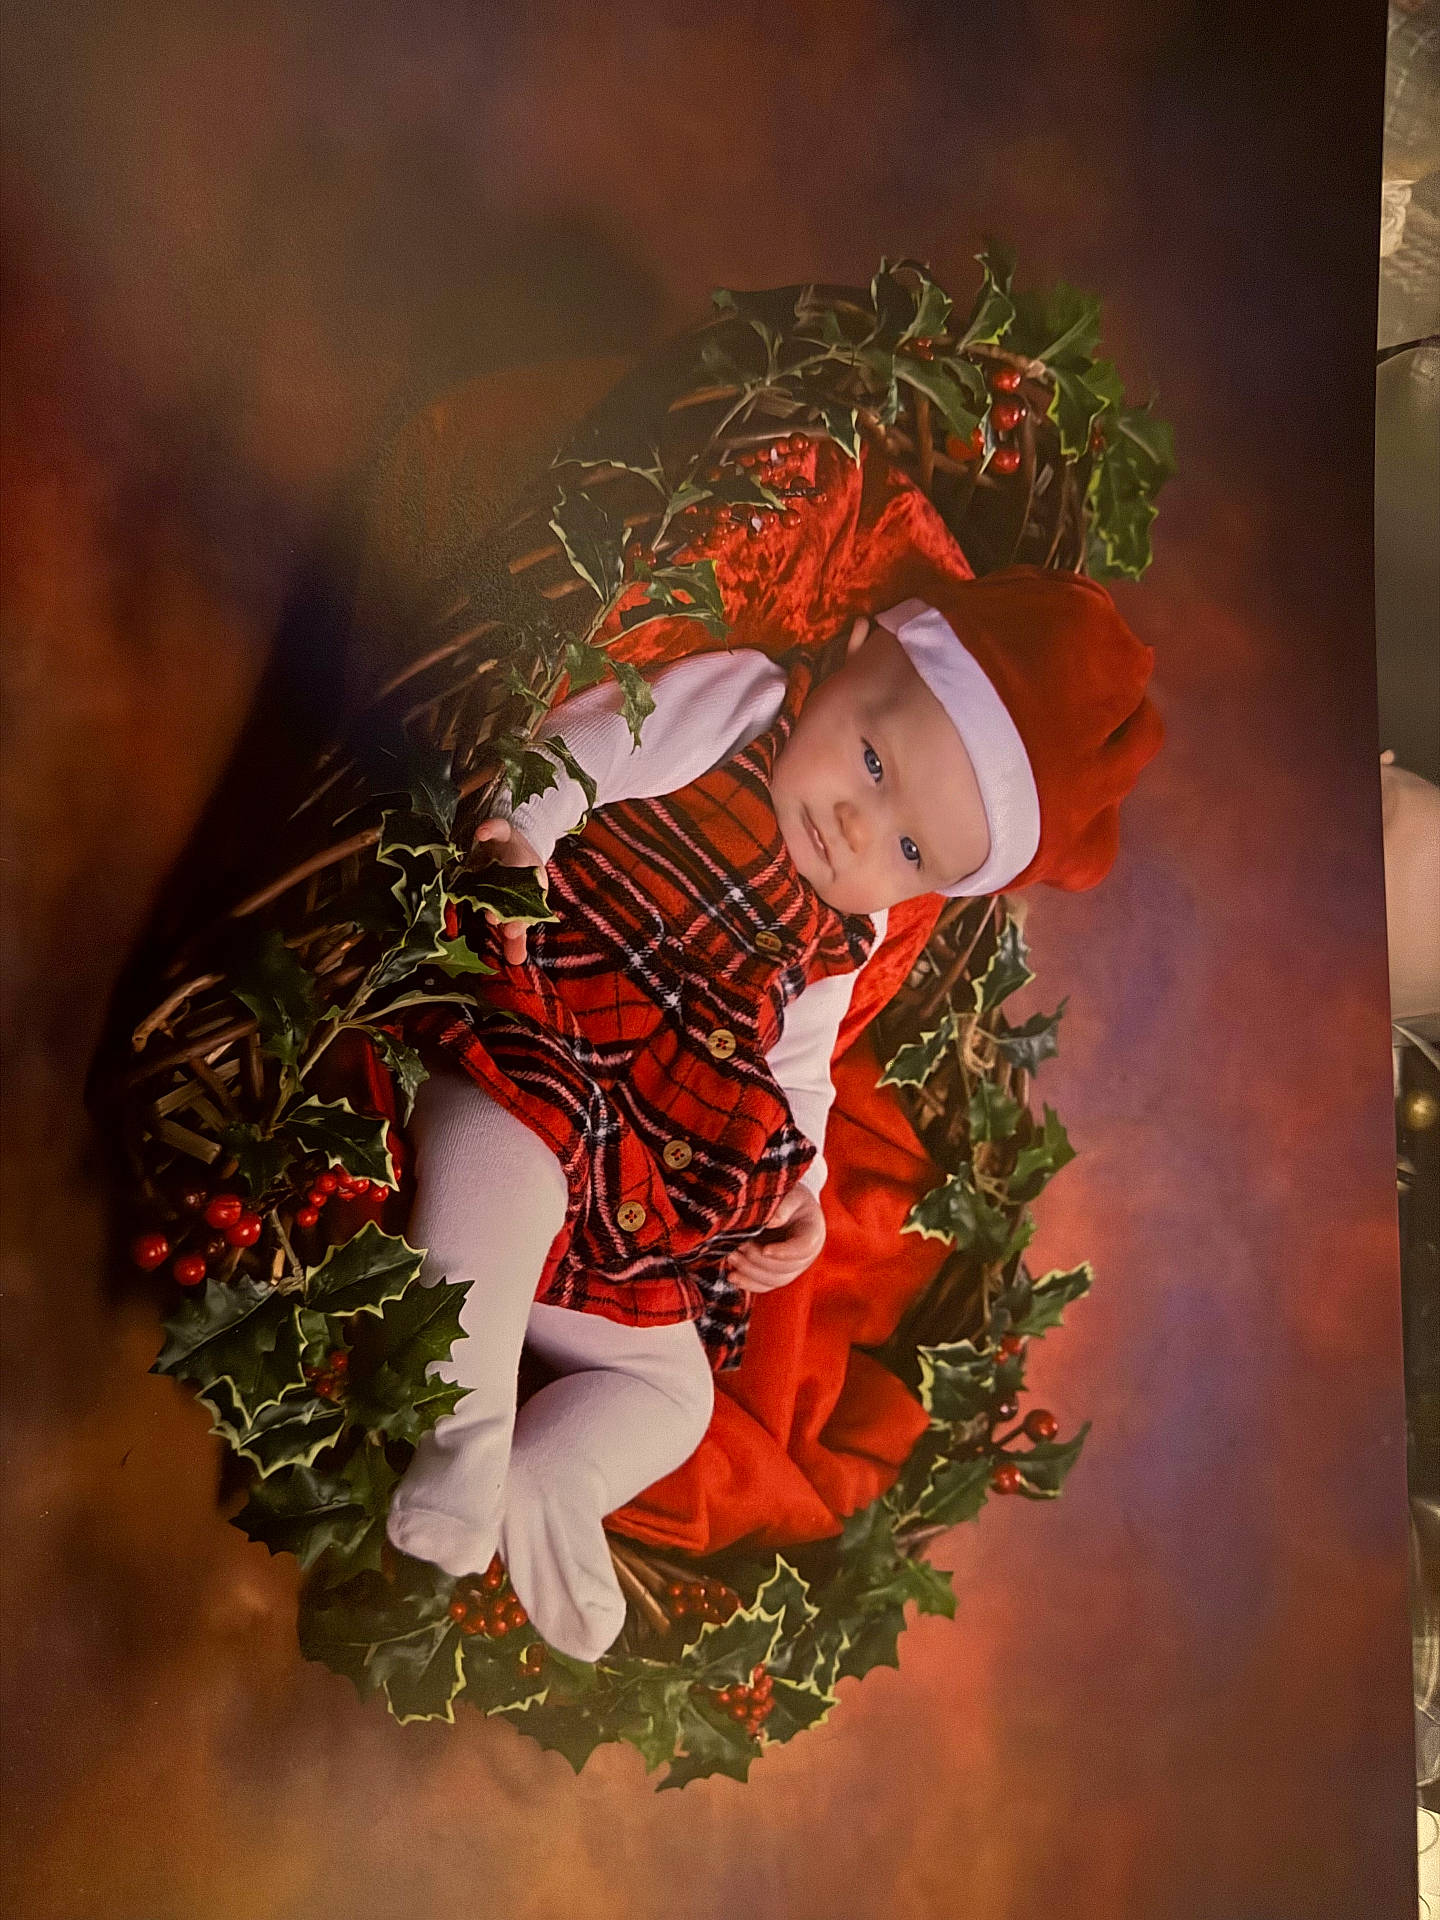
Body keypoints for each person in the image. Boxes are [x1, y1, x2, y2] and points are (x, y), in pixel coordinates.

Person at [385, 569, 1165, 1659]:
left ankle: (551, 1479)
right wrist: (524, 828)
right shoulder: (748, 705)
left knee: (678, 1393)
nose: (857, 829)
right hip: (555, 999)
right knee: (504, 1148)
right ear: (851, 653)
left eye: (907, 852)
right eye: (875, 761)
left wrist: (792, 1195)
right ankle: (456, 1432)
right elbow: (600, 738)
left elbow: (798, 1074)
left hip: (643, 1156)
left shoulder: (844, 941)